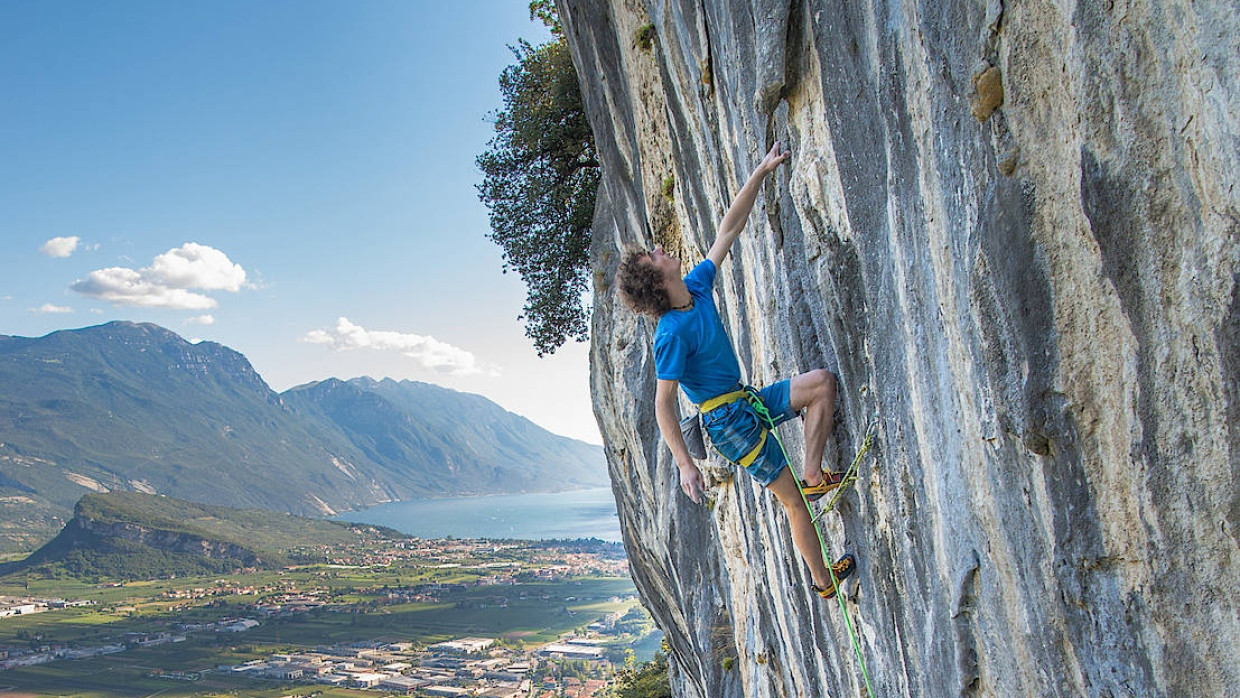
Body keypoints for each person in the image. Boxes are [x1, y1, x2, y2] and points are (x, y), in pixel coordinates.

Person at [615, 142, 856, 600]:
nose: (662, 248)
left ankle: (813, 474)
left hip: (744, 401)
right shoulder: (671, 333)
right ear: (656, 280)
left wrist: (762, 170)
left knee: (821, 384)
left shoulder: (696, 288)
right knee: (793, 504)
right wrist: (685, 465)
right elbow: (663, 405)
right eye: (654, 254)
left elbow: (730, 228)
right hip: (727, 424)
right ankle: (823, 582)